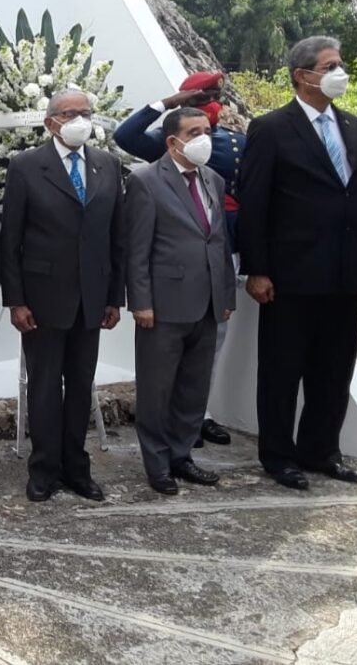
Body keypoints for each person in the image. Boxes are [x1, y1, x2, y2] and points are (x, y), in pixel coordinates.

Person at [239, 36, 357, 490]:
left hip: (344, 272)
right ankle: (279, 457)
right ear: (303, 76)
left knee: (333, 370)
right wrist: (256, 269)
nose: (340, 71)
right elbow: (254, 203)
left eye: (340, 62)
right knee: (283, 371)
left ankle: (321, 450)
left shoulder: (355, 127)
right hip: (290, 275)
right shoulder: (271, 128)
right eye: (330, 65)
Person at [0, 90, 125, 503]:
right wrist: (15, 300)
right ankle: (44, 469)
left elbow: (116, 237)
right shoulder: (25, 166)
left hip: (92, 299)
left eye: (86, 113)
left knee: (80, 387)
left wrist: (114, 296)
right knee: (44, 388)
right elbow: (10, 240)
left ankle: (77, 468)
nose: (80, 121)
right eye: (70, 114)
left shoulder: (108, 165)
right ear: (51, 121)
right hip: (42, 299)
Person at [113, 70, 245, 447]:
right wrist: (168, 104)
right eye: (200, 98)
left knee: (210, 345)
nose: (210, 103)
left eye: (214, 96)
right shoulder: (166, 145)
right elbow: (125, 136)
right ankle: (172, 424)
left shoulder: (236, 142)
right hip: (173, 266)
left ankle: (196, 416)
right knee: (167, 356)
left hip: (223, 250)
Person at [124, 107, 237, 495]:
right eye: (194, 132)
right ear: (173, 141)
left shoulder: (214, 180)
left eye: (207, 130)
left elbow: (219, 242)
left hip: (207, 304)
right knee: (157, 390)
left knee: (193, 388)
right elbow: (136, 249)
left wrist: (225, 296)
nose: (204, 138)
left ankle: (181, 454)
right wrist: (140, 302)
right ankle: (157, 465)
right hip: (163, 305)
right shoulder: (146, 181)